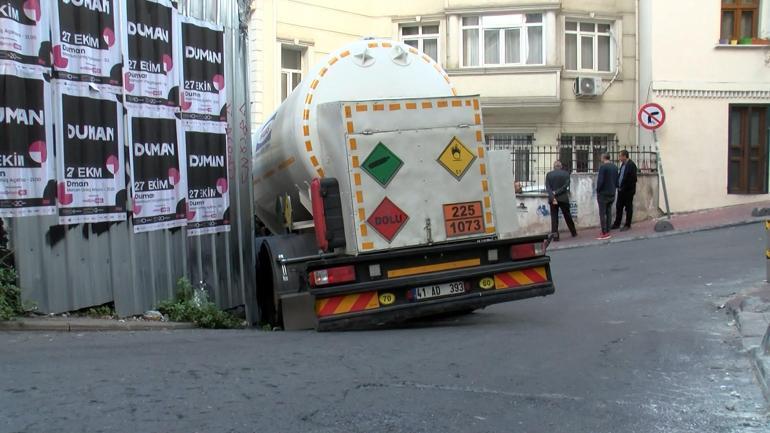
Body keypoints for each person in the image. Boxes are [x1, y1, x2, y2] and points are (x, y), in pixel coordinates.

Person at [545, 161, 577, 241]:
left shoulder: (549, 175)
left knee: (554, 217)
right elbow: (566, 186)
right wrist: (558, 192)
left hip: (553, 199)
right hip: (563, 198)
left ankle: (555, 236)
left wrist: (553, 196)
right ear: (561, 166)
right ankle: (573, 232)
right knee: (567, 216)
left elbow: (548, 188)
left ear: (554, 166)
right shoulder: (566, 174)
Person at [612, 149, 638, 231]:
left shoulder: (631, 165)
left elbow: (633, 179)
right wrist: (618, 184)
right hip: (620, 190)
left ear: (624, 156)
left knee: (628, 207)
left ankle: (627, 224)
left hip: (628, 191)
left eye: (620, 156)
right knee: (619, 207)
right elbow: (621, 176)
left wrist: (624, 187)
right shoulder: (623, 164)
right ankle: (617, 223)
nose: (619, 158)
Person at [595, 153, 618, 240]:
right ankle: (608, 229)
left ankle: (604, 232)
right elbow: (617, 180)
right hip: (612, 192)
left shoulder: (603, 167)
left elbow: (600, 181)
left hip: (603, 193)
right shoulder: (615, 167)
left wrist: (598, 190)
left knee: (602, 213)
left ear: (603, 157)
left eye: (601, 156)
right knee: (608, 212)